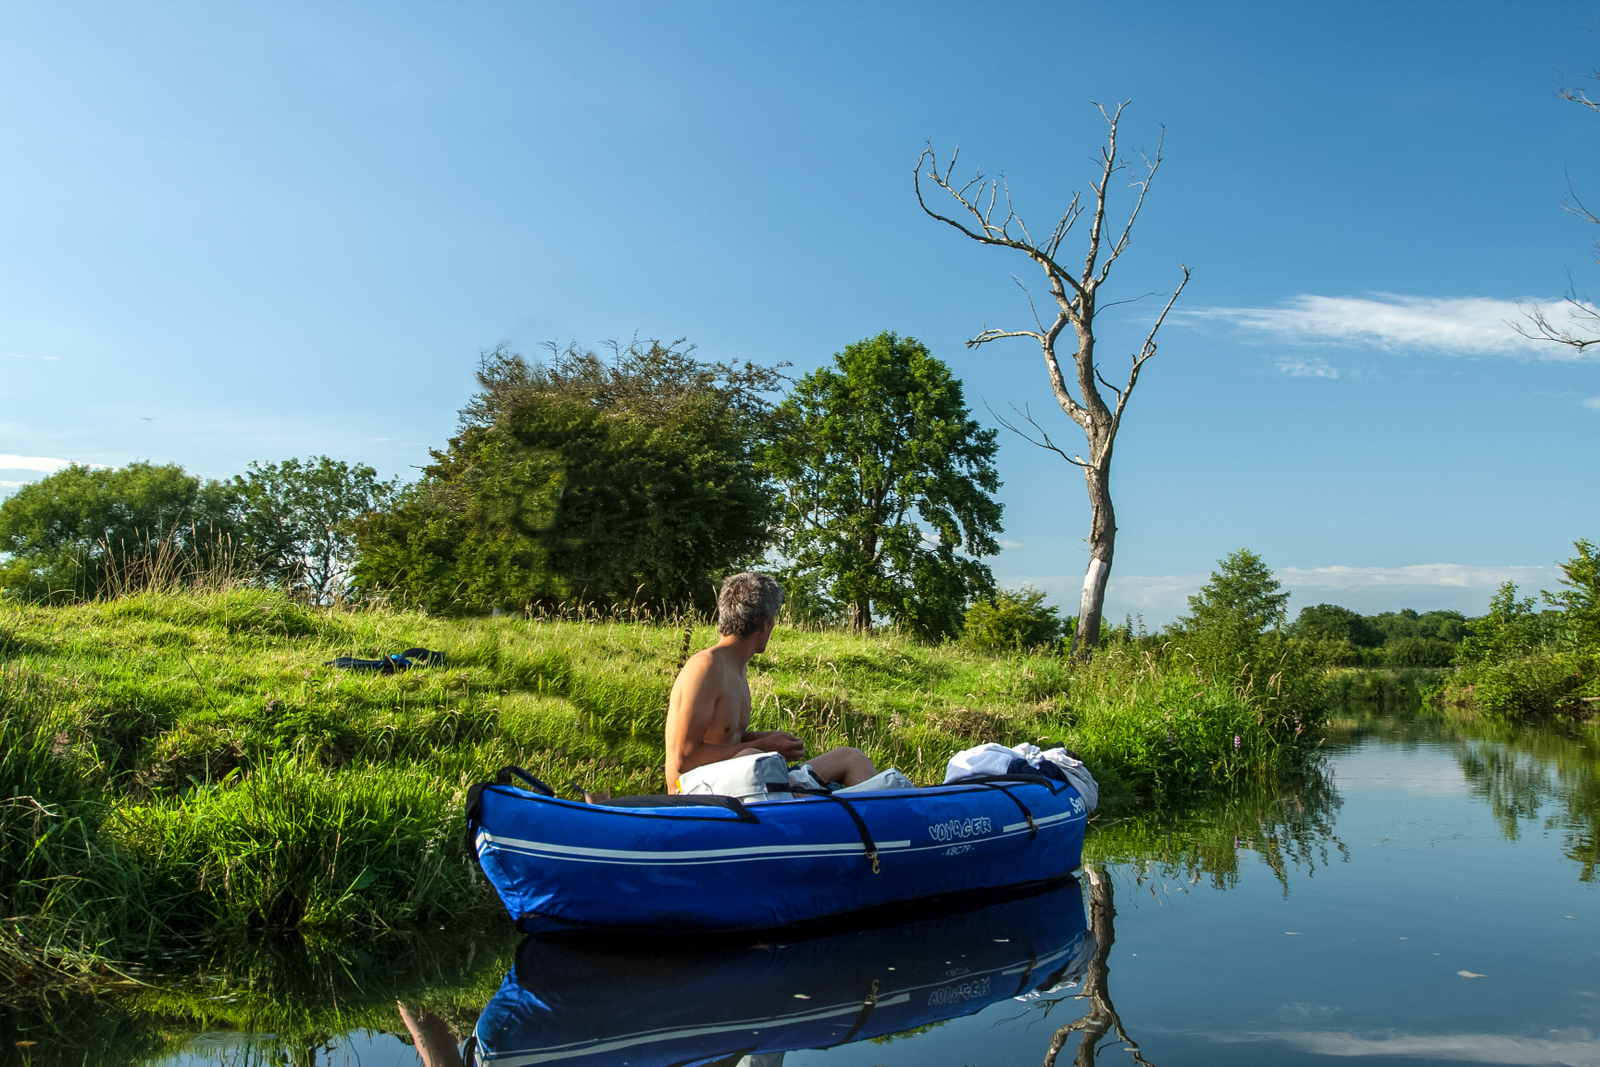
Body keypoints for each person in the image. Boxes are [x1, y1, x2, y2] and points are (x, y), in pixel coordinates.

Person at [666, 572, 876, 794]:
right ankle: (803, 806)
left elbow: (724, 738)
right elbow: (684, 759)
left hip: (741, 781)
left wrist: (769, 739)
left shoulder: (736, 667)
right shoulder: (705, 667)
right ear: (764, 625)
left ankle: (879, 824)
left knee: (851, 758)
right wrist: (762, 748)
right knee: (754, 758)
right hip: (696, 793)